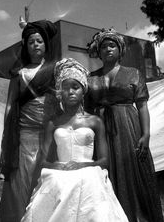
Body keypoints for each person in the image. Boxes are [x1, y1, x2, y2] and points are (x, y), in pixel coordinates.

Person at [21, 58, 129, 222]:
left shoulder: (95, 121)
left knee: (88, 179)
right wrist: (55, 165)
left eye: (75, 87)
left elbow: (105, 160)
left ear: (83, 90)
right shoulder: (53, 123)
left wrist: (83, 165)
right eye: (65, 88)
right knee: (56, 181)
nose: (70, 92)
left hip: (88, 168)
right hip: (61, 170)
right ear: (59, 93)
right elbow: (43, 160)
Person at [85, 28, 164, 222]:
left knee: (133, 169)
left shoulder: (133, 73)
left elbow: (143, 106)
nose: (108, 49)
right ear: (98, 52)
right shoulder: (90, 78)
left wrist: (146, 135)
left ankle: (139, 217)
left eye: (112, 45)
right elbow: (86, 110)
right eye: (103, 47)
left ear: (120, 50)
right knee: (107, 171)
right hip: (101, 131)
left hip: (129, 127)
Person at [0, 20, 58, 222]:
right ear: (26, 46)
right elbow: (10, 104)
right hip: (24, 135)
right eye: (31, 42)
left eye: (39, 41)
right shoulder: (19, 73)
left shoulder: (54, 69)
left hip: (49, 133)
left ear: (46, 44)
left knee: (46, 177)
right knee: (22, 180)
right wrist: (8, 127)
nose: (36, 45)